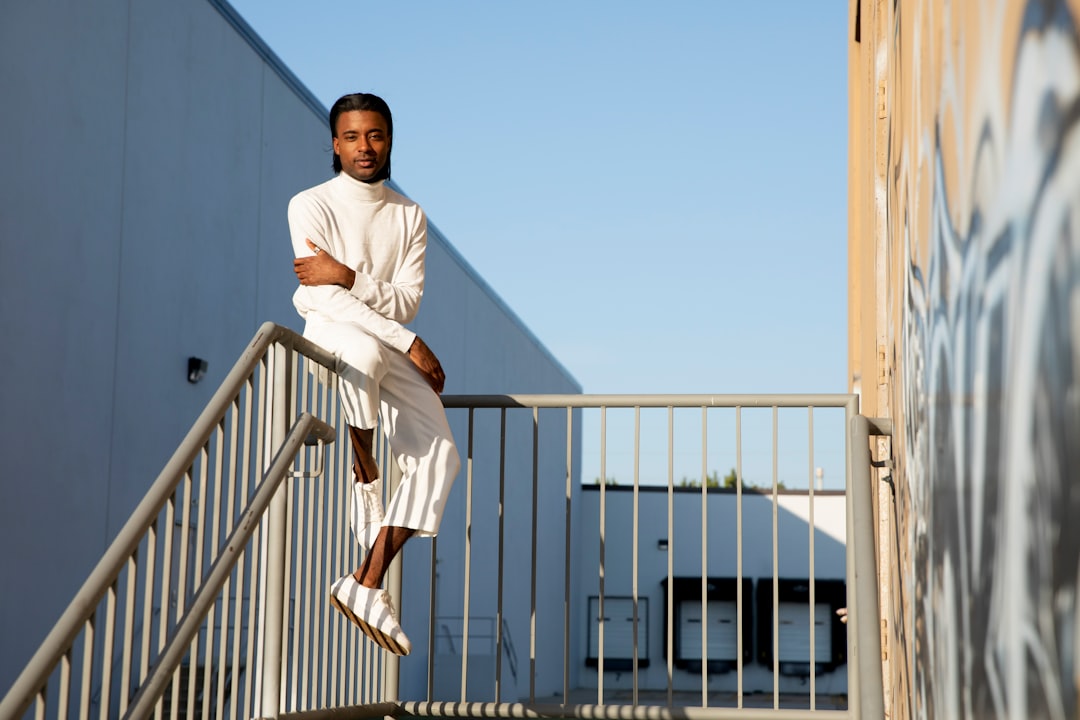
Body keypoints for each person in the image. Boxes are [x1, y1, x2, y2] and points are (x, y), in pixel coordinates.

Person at [288, 92, 460, 656]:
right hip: (335, 337)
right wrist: (406, 340)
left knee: (442, 456)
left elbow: (404, 302)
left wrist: (346, 274)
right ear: (335, 144)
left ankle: (365, 581)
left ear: (389, 139)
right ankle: (366, 477)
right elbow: (326, 301)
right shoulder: (309, 204)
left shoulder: (409, 215)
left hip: (386, 342)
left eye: (376, 135)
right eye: (353, 137)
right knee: (361, 350)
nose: (366, 147)